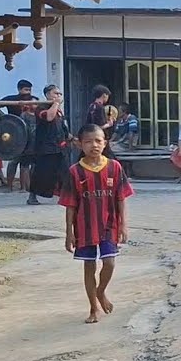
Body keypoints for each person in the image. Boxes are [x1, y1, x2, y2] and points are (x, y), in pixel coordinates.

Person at [59, 123, 133, 324]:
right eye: (88, 141)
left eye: (98, 141)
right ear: (80, 144)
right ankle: (93, 307)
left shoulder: (114, 167)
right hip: (84, 227)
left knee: (109, 262)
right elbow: (70, 204)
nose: (94, 145)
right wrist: (69, 232)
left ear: (105, 143)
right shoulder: (75, 172)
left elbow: (121, 198)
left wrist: (124, 225)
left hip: (109, 224)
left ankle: (101, 291)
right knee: (89, 265)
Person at [29, 84, 70, 206]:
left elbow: (63, 128)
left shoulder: (59, 111)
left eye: (60, 94)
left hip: (59, 147)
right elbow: (49, 117)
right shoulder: (41, 108)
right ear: (47, 95)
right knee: (42, 173)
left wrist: (74, 139)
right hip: (46, 148)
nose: (58, 96)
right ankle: (32, 196)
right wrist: (56, 104)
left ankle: (65, 197)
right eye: (55, 93)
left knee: (64, 173)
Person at [2, 79, 39, 191]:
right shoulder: (11, 99)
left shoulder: (33, 100)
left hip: (29, 136)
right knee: (13, 161)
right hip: (14, 135)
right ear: (19, 89)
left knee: (26, 163)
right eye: (26, 89)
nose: (28, 92)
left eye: (29, 90)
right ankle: (9, 186)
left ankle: (25, 187)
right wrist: (4, 119)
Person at [85, 84, 116, 155]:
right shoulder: (99, 107)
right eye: (107, 96)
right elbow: (98, 127)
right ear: (104, 95)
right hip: (99, 138)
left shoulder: (92, 106)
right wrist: (109, 124)